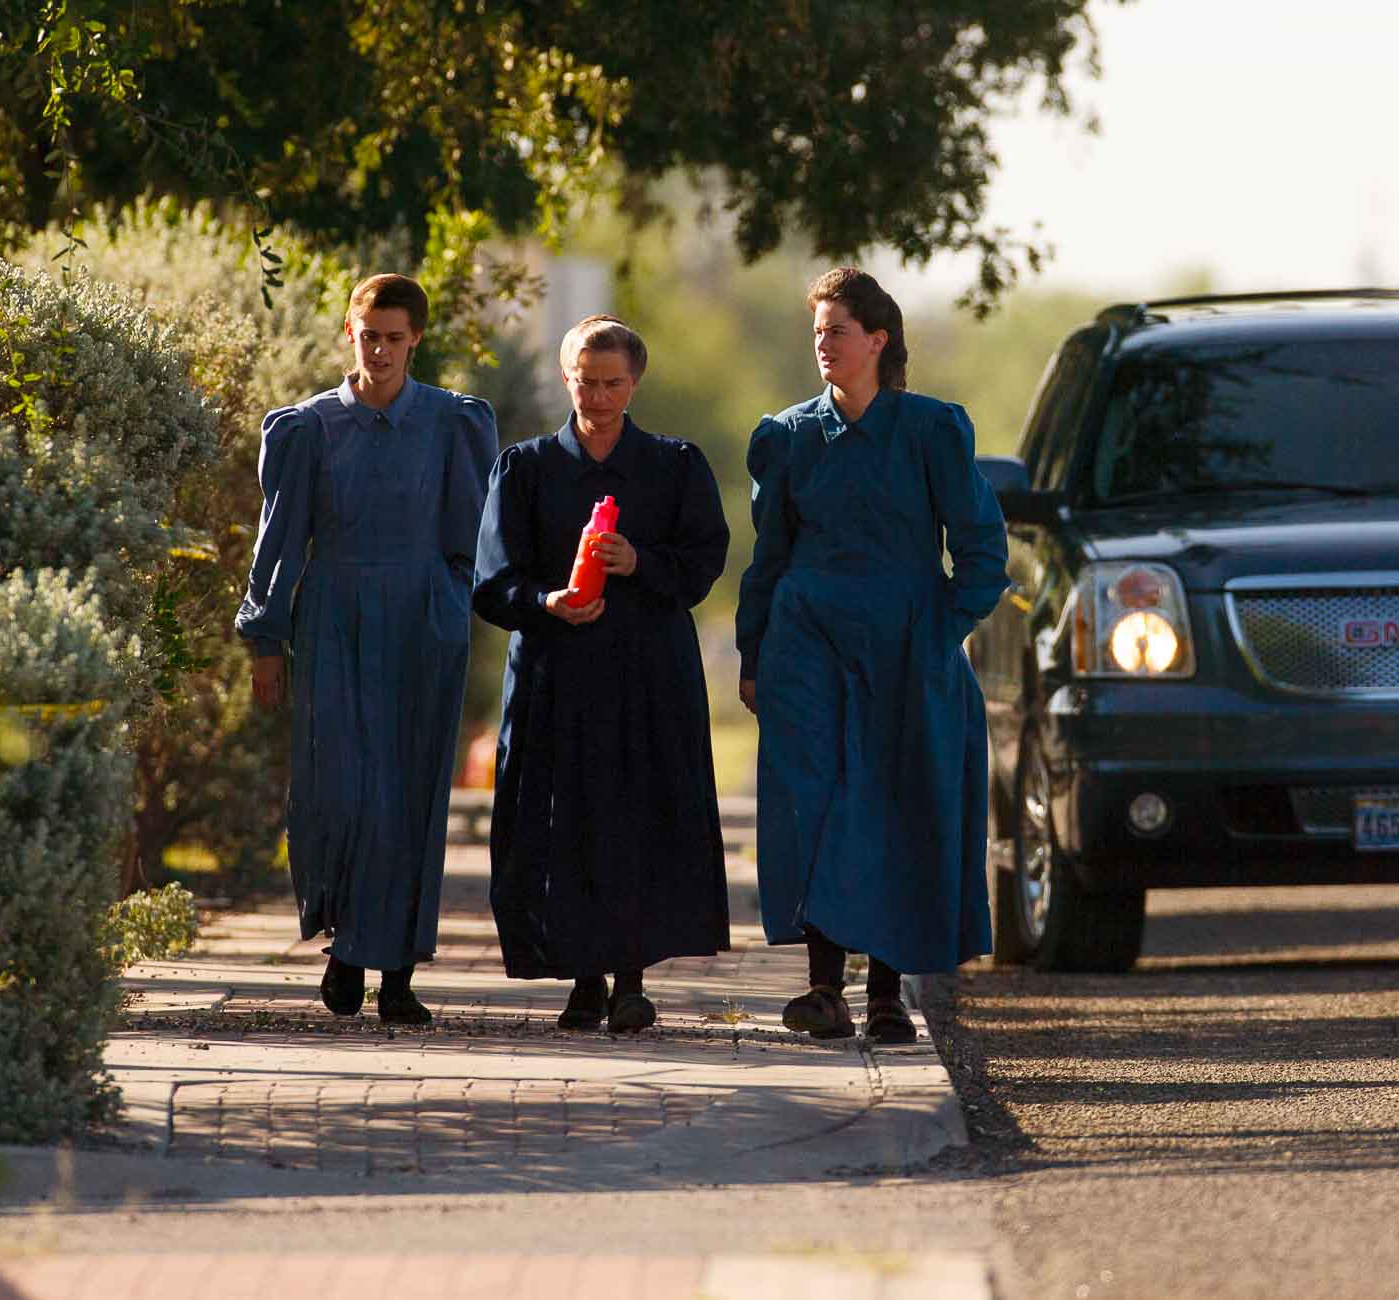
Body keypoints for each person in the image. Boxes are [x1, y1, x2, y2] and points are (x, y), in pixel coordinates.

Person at [736, 267, 1009, 1043]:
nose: (822, 344)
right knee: (813, 802)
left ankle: (888, 997)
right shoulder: (787, 436)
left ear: (878, 339)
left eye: (837, 331)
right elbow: (770, 557)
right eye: (817, 331)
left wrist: (939, 625)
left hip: (905, 647)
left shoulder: (931, 429)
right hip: (807, 645)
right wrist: (754, 653)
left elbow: (983, 549)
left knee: (895, 804)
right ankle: (825, 991)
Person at [237, 272, 497, 1025]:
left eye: (393, 336)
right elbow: (279, 539)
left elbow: (471, 532)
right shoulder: (309, 427)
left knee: (409, 797)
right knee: (337, 790)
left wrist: (451, 602)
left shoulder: (453, 422)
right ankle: (347, 942)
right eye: (367, 334)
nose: (378, 350)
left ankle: (396, 974)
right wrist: (265, 636)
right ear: (348, 334)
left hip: (422, 619)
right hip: (333, 617)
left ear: (416, 337)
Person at [472, 316, 731, 1033]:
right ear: (566, 378)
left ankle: (631, 978)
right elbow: (492, 582)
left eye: (613, 382)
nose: (599, 396)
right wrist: (547, 601)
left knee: (639, 819)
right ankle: (580, 977)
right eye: (586, 381)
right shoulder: (525, 469)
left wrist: (639, 563)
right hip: (559, 677)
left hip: (647, 677)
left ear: (635, 382)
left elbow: (705, 561)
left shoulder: (675, 466)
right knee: (563, 824)